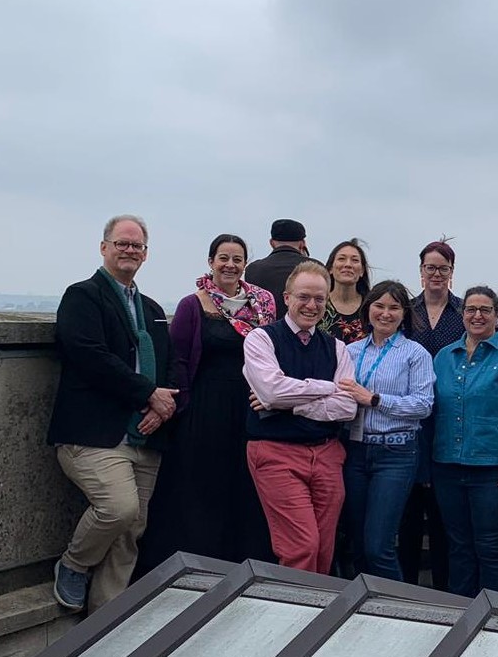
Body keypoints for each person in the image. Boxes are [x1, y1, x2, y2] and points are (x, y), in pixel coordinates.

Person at [46, 215, 181, 613]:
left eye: (137, 246)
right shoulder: (82, 296)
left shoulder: (153, 309)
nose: (129, 251)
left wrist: (165, 404)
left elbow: (171, 361)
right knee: (118, 509)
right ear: (104, 247)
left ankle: (105, 616)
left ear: (146, 254)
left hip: (144, 436)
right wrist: (148, 394)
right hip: (93, 434)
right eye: (122, 243)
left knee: (131, 531)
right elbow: (89, 356)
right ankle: (73, 563)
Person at [136, 234, 277, 574]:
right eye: (223, 258)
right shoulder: (193, 304)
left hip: (249, 407)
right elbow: (179, 358)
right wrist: (179, 405)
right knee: (202, 488)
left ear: (246, 264)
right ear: (211, 261)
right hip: (204, 408)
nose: (230, 265)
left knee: (244, 489)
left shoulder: (263, 304)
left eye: (237, 259)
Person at [243, 261, 359, 573]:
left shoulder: (336, 348)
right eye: (304, 297)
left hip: (326, 453)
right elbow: (271, 392)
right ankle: (293, 618)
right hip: (276, 452)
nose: (311, 305)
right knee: (301, 547)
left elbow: (347, 407)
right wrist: (326, 388)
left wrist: (292, 404)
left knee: (323, 549)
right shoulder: (261, 339)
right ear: (287, 298)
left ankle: (316, 616)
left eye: (319, 299)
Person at [432, 285, 498, 596]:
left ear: (496, 315)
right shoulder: (444, 357)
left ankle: (496, 618)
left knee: (491, 547)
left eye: (485, 310)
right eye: (471, 310)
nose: (477, 316)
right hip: (447, 466)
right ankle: (461, 613)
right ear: (462, 315)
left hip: (492, 471)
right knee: (459, 547)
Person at [337, 280, 435, 580]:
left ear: (404, 313)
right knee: (357, 545)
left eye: (394, 307)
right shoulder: (350, 352)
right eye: (379, 306)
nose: (385, 313)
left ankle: (400, 613)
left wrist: (375, 400)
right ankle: (364, 613)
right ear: (368, 310)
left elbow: (423, 405)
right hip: (354, 450)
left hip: (395, 453)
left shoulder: (415, 354)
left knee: (379, 546)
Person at [398, 239, 464, 589]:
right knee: (407, 515)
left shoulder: (466, 312)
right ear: (420, 271)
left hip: (451, 422)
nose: (436, 274)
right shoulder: (404, 311)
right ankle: (405, 587)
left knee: (445, 518)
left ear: (452, 273)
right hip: (408, 423)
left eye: (443, 268)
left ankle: (444, 592)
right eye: (430, 268)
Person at [244, 219, 310, 319]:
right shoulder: (315, 268)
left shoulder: (252, 269)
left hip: (264, 331)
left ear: (271, 243)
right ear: (302, 243)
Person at [323, 238, 370, 344]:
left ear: (362, 271)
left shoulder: (371, 307)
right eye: (341, 259)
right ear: (330, 268)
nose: (348, 265)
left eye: (355, 260)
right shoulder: (317, 305)